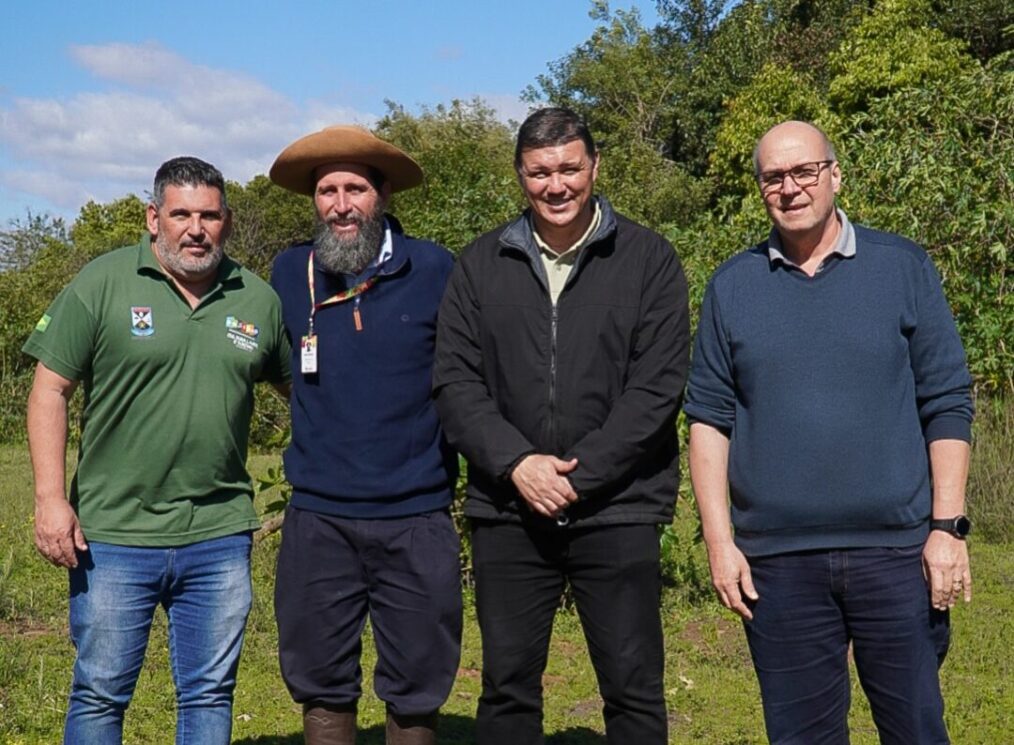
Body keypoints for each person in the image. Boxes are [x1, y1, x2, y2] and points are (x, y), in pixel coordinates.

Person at [685, 120, 974, 744]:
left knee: (917, 729)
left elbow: (947, 400)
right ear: (760, 188)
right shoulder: (732, 287)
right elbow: (709, 418)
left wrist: (947, 530)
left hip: (896, 555)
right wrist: (719, 541)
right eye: (773, 178)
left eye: (804, 172)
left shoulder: (902, 267)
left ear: (835, 175)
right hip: (778, 564)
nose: (790, 188)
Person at [433, 107, 690, 745]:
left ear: (595, 167)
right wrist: (518, 465)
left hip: (620, 507)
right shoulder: (481, 264)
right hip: (508, 508)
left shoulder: (648, 260)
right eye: (540, 172)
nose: (557, 185)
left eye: (570, 168)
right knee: (508, 686)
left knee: (632, 687)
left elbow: (656, 388)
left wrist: (579, 476)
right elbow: (456, 383)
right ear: (520, 176)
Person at [23, 157, 291, 744]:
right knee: (99, 693)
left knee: (209, 694)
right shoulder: (103, 282)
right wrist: (49, 498)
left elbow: (305, 393)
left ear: (226, 220)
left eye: (210, 216)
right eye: (181, 214)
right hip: (114, 533)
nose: (196, 229)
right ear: (153, 218)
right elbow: (50, 389)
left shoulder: (258, 300)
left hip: (218, 535)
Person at [268, 125, 461, 745]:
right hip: (318, 515)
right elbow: (279, 370)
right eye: (327, 190)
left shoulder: (435, 269)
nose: (340, 204)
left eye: (355, 188)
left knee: (419, 676)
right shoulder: (287, 272)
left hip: (416, 512)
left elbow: (465, 376)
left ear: (382, 196)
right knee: (321, 676)